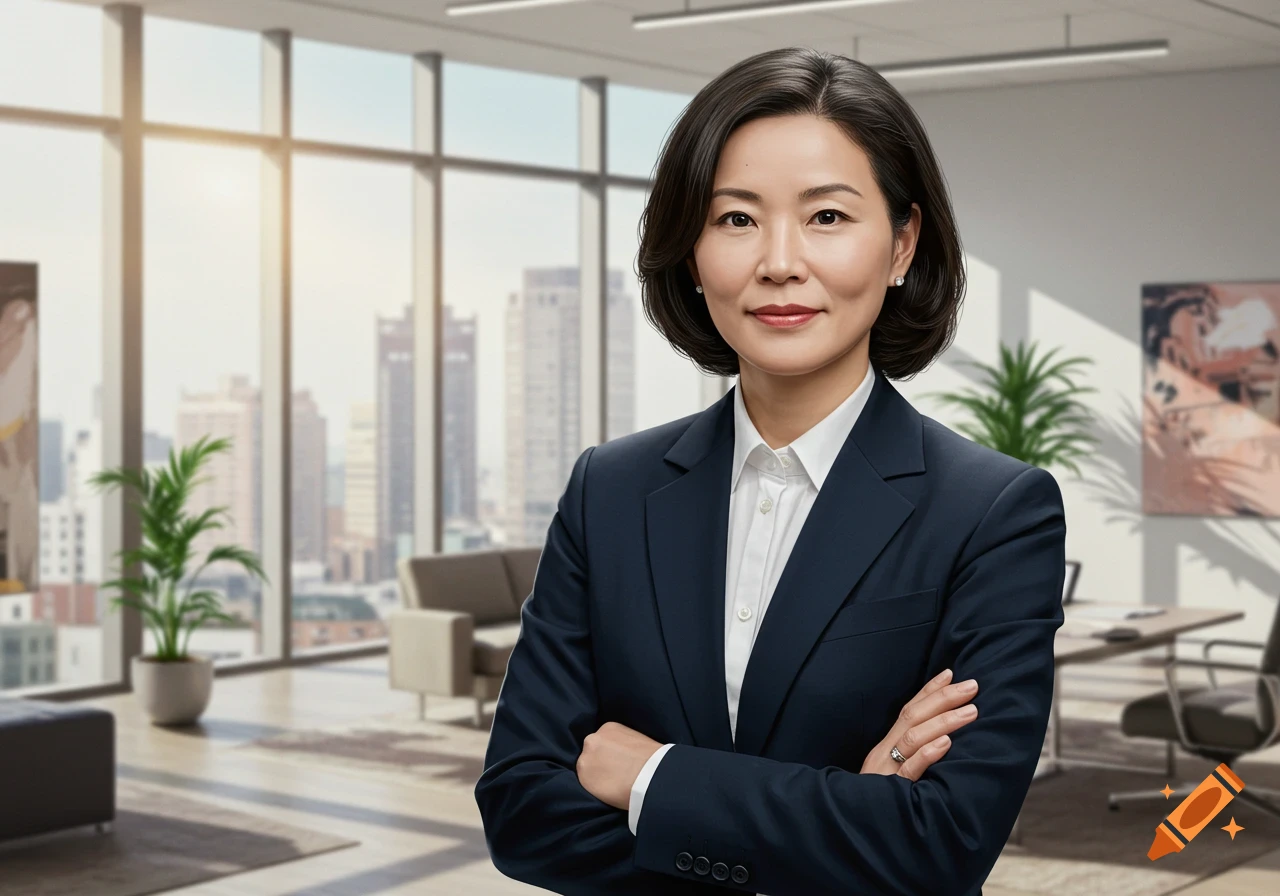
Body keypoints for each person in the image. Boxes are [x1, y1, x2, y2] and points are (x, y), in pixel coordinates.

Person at [475, 46, 1066, 896]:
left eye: (827, 217)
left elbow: (941, 845)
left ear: (902, 244)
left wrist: (651, 781)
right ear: (691, 248)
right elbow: (523, 813)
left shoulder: (993, 511)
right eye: (736, 219)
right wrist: (844, 819)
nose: (779, 261)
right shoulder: (610, 489)